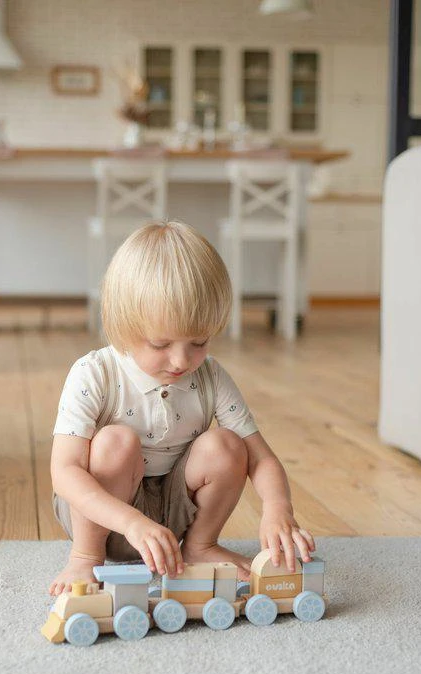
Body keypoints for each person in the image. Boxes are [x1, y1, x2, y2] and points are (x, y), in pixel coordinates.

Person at [48, 220, 315, 596]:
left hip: (171, 518)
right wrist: (130, 522)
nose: (181, 360)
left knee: (226, 444)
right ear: (123, 326)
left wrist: (277, 507)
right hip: (101, 518)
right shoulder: (94, 373)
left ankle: (200, 546)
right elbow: (64, 472)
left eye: (199, 342)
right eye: (161, 344)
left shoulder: (209, 376)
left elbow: (261, 458)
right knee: (114, 443)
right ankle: (85, 557)